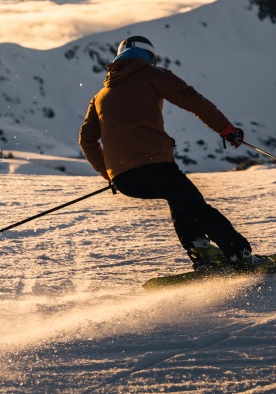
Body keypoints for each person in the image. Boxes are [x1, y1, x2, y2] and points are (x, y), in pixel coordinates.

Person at [79, 35, 257, 269]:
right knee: (195, 207)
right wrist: (225, 129)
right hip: (155, 166)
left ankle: (201, 250)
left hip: (125, 180)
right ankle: (240, 255)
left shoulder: (99, 97)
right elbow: (192, 100)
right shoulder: (152, 74)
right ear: (149, 56)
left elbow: (87, 140)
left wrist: (107, 173)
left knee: (180, 200)